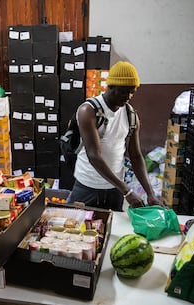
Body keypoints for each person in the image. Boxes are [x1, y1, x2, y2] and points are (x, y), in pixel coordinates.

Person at [67, 61, 161, 211]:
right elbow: (94, 156)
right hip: (87, 186)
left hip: (115, 189)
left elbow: (136, 156)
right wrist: (128, 191)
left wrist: (150, 193)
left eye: (132, 92)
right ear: (110, 86)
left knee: (112, 229)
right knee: (78, 228)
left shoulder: (131, 116)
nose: (128, 96)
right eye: (123, 91)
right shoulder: (89, 111)